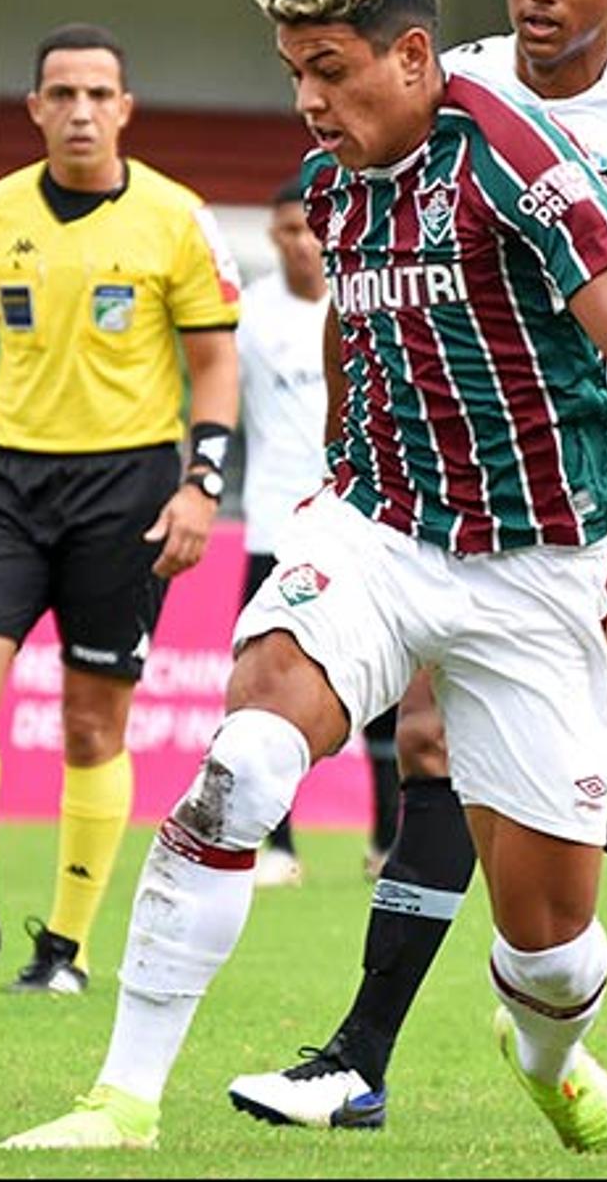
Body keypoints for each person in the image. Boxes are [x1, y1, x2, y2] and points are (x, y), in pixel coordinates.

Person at [0, 0, 607, 1155]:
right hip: (378, 530)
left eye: (328, 70)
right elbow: (341, 330)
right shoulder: (336, 170)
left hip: (535, 561)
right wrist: (327, 485)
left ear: (410, 59)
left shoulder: (522, 158)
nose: (307, 100)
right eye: (291, 70)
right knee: (247, 757)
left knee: (553, 957)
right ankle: (123, 1101)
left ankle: (557, 1058)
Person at [0, 23, 241, 996]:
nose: (80, 110)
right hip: (12, 480)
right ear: (35, 107)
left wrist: (201, 485)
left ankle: (68, 947)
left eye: (98, 94)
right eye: (62, 94)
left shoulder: (178, 217)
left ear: (124, 108)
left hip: (126, 488)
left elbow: (215, 364)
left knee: (92, 726)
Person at [235, 177, 402, 890]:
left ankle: (388, 841)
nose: (299, 243)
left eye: (308, 229)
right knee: (266, 687)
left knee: (384, 696)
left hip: (361, 523)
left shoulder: (370, 300)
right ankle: (277, 845)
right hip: (274, 522)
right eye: (285, 232)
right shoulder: (248, 316)